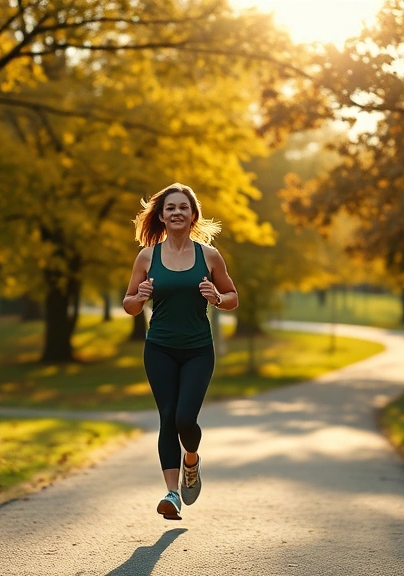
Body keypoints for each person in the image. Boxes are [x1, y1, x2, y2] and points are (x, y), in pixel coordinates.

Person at [122, 182, 238, 520]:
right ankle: (172, 493)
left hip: (198, 350)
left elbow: (232, 297)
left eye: (182, 208)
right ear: (161, 215)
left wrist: (216, 297)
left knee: (185, 419)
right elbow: (128, 304)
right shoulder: (147, 256)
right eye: (170, 208)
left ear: (192, 215)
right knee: (167, 417)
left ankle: (192, 460)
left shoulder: (209, 256)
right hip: (159, 348)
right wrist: (139, 297)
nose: (176, 212)